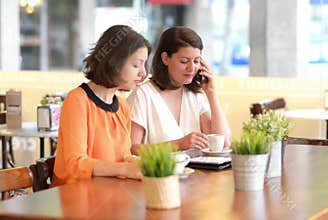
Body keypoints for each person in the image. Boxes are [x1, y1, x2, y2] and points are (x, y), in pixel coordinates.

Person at [52, 25, 151, 186]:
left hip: (109, 194)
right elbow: (74, 164)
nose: (143, 73)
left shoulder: (122, 106)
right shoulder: (77, 100)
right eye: (136, 65)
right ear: (114, 62)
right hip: (75, 198)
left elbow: (123, 157)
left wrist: (147, 163)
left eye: (144, 64)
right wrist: (125, 169)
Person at [127, 26, 231, 154]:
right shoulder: (143, 95)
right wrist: (178, 144)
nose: (191, 68)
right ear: (165, 58)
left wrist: (211, 93)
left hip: (197, 172)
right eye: (184, 61)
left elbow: (224, 143)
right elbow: (132, 149)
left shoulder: (195, 96)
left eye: (196, 61)